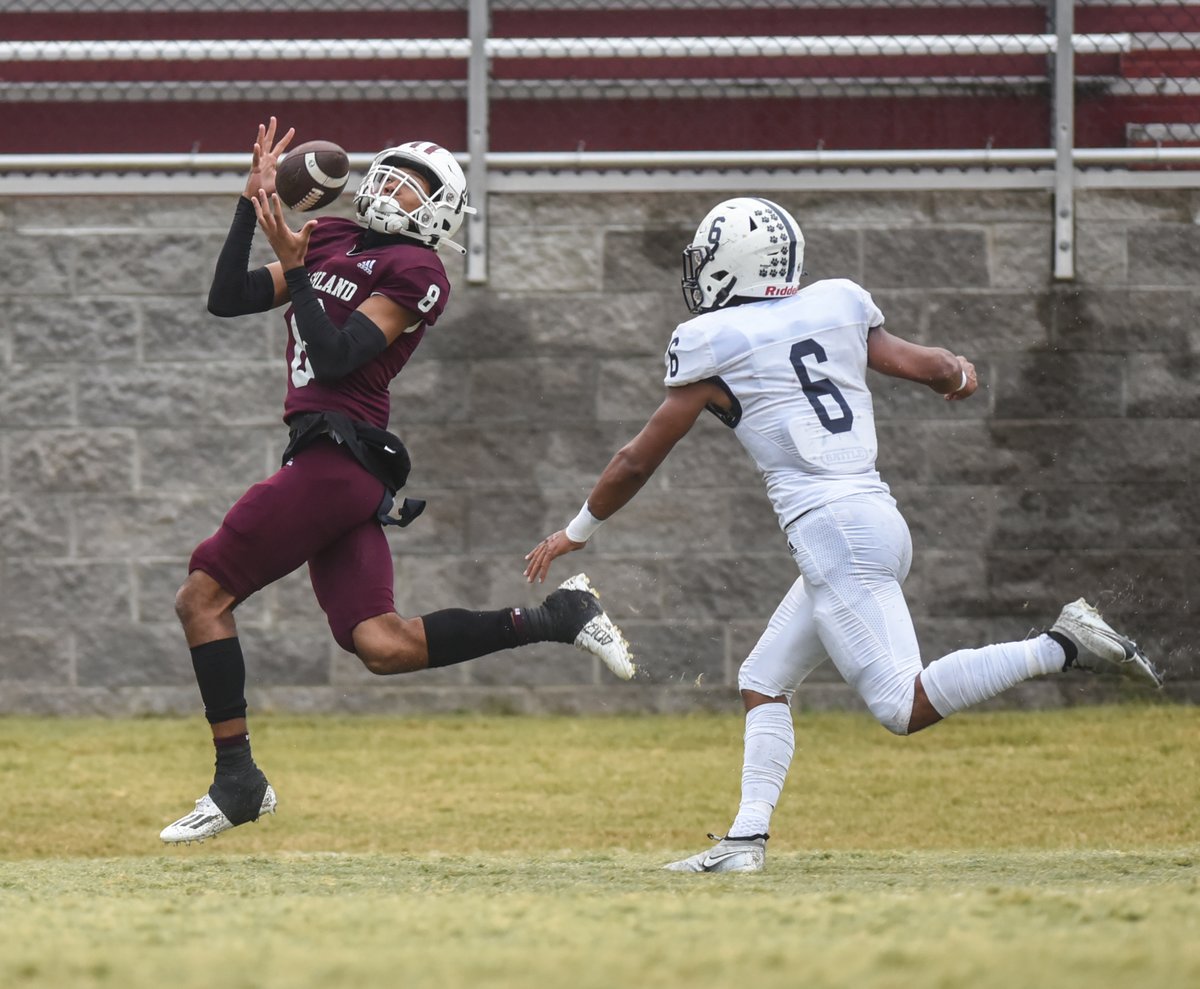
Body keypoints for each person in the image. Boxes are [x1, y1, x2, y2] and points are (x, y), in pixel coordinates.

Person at [523, 196, 1163, 873]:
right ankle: (744, 841)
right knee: (763, 678)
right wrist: (961, 374)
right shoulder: (835, 308)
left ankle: (1062, 644)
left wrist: (578, 531)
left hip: (832, 533)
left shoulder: (716, 347)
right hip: (877, 521)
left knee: (902, 705)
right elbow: (935, 365)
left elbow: (635, 460)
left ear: (730, 266)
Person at [160, 118, 634, 845]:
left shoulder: (420, 272)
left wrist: (304, 274)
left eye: (410, 184)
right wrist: (246, 204)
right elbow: (227, 296)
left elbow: (342, 355)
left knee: (202, 596)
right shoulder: (328, 240)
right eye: (388, 173)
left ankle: (238, 777)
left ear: (439, 209)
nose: (387, 186)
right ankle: (557, 617)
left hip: (336, 460)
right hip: (329, 463)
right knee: (382, 644)